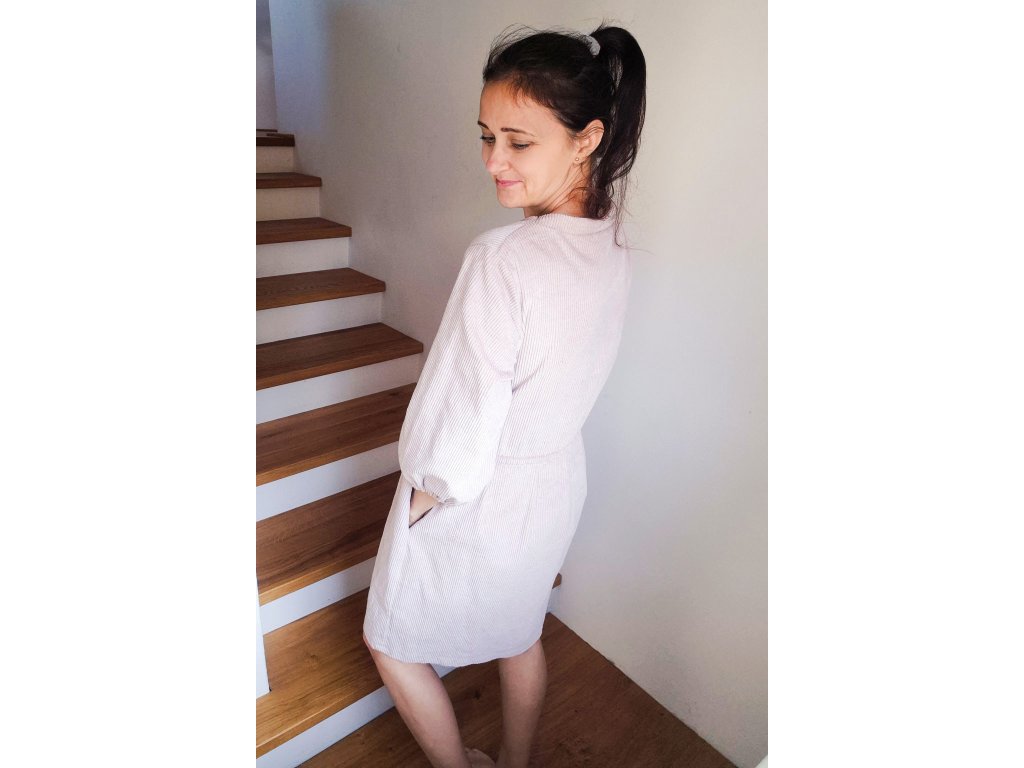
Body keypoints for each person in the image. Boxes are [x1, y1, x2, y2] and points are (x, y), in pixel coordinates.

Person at [362, 22, 646, 768]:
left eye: (519, 142)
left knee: (389, 641)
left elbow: (459, 422)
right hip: (555, 485)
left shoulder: (503, 258)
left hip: (484, 494)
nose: (494, 161)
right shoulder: (611, 242)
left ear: (586, 139)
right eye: (487, 136)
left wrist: (421, 497)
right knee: (520, 633)